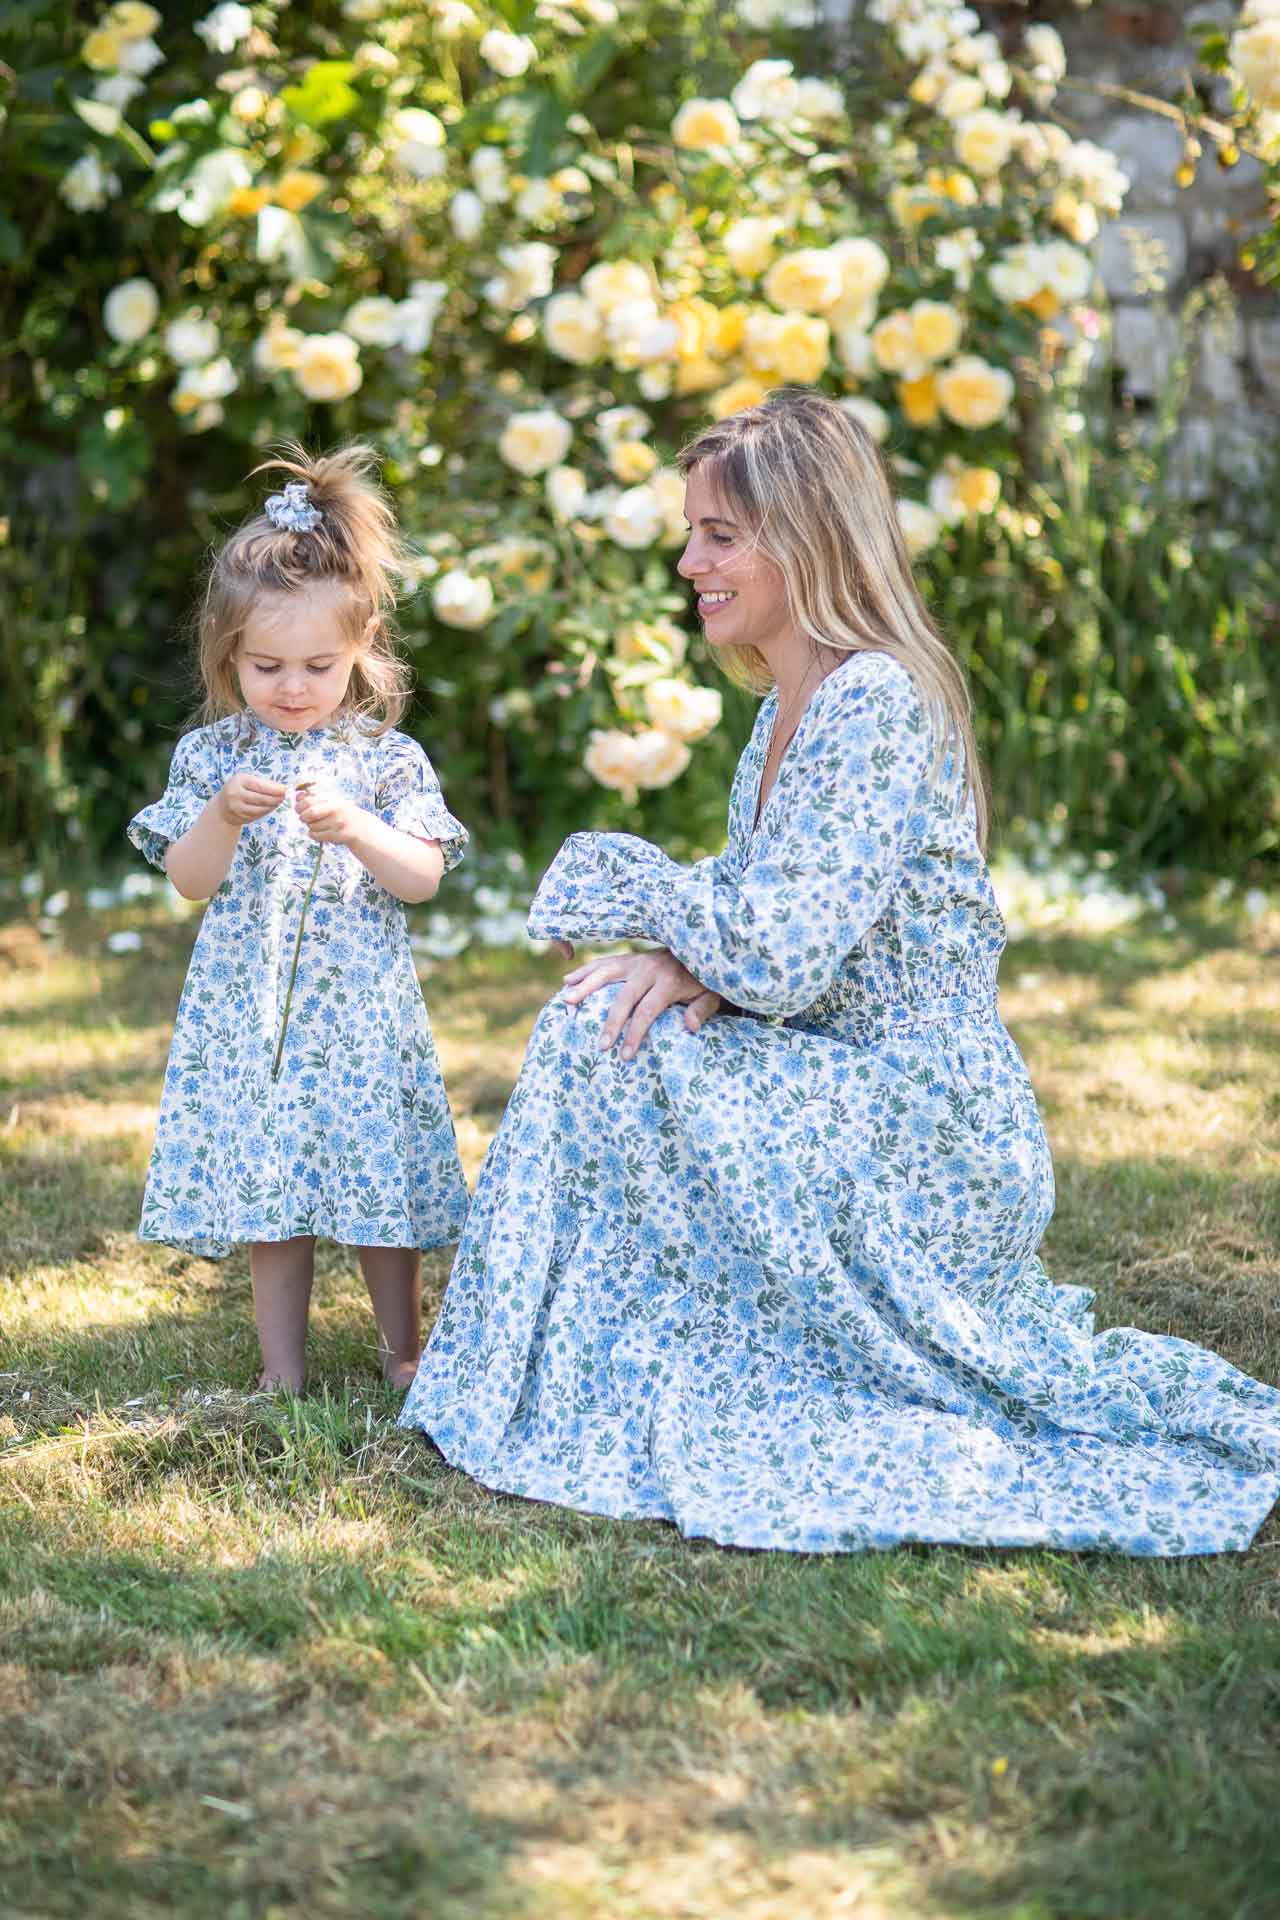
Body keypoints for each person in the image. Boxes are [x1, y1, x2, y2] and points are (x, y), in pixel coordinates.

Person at [401, 389, 1280, 1555]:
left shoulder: (873, 700)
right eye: (691, 533)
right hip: (837, 1081)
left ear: (807, 540)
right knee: (603, 1022)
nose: (688, 563)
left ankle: (559, 1368)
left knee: (598, 1033)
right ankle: (567, 1365)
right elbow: (775, 923)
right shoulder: (786, 706)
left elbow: (774, 949)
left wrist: (635, 885)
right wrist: (683, 963)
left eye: (719, 536)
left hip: (924, 1128)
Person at [128, 445, 469, 1391]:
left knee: (379, 1193)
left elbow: (422, 878)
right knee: (271, 1195)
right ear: (228, 656)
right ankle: (282, 1371)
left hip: (359, 1020)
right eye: (266, 665)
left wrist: (358, 826)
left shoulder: (385, 759)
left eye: (318, 665)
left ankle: (404, 1352)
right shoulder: (213, 759)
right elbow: (189, 880)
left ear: (360, 650)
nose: (291, 686)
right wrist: (218, 818)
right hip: (256, 1022)